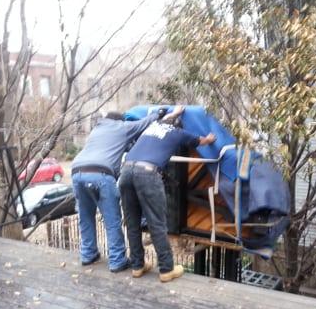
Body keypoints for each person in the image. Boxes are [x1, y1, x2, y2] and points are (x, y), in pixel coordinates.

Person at [119, 106, 216, 282]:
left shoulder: (152, 127)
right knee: (157, 223)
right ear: (178, 126)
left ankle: (137, 266)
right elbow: (201, 141)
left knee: (132, 222)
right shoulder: (177, 133)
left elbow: (167, 120)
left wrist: (175, 112)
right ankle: (166, 270)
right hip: (147, 174)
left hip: (125, 171)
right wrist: (210, 138)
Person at [71, 109, 164, 272]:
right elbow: (144, 123)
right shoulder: (122, 127)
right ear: (121, 121)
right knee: (112, 220)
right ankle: (117, 260)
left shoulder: (97, 130)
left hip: (77, 172)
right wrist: (159, 113)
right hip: (101, 174)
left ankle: (88, 254)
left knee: (85, 217)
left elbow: (119, 146)